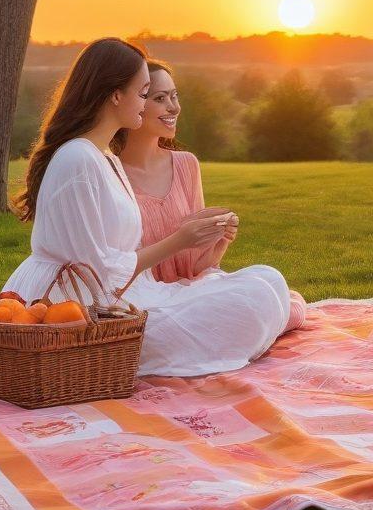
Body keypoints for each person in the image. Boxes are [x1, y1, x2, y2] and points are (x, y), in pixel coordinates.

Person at [3, 38, 291, 376]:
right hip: (79, 308)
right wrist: (181, 239)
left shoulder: (104, 157)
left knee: (268, 279)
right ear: (116, 96)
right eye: (144, 94)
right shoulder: (78, 159)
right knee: (254, 300)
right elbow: (95, 273)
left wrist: (207, 240)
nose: (146, 104)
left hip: (120, 295)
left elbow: (114, 263)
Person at [119, 58, 308, 333]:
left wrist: (219, 242)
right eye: (160, 98)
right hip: (148, 305)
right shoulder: (110, 174)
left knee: (269, 281)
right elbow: (114, 270)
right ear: (134, 104)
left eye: (174, 96)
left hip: (192, 293)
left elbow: (197, 269)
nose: (174, 107)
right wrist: (181, 239)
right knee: (262, 304)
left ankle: (262, 319)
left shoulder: (186, 164)